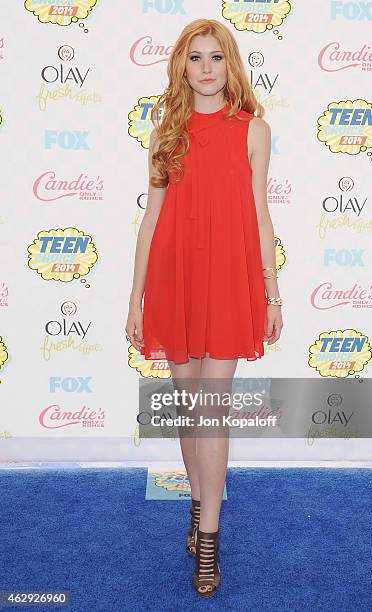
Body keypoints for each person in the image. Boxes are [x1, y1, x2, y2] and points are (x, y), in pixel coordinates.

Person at [125, 18, 283, 598]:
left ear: (231, 64)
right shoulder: (166, 130)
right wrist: (137, 298)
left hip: (227, 283)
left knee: (212, 411)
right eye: (196, 58)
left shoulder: (254, 130)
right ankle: (197, 506)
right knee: (190, 412)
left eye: (217, 57)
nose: (207, 68)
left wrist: (271, 292)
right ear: (181, 67)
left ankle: (209, 541)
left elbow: (261, 216)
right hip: (175, 278)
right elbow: (151, 220)